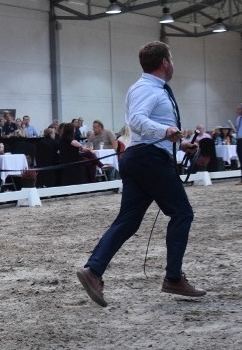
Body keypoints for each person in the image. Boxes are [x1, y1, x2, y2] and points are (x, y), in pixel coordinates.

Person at [76, 41, 204, 308]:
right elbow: (136, 120)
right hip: (149, 159)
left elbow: (146, 125)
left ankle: (94, 270)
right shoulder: (148, 88)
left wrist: (178, 143)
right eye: (172, 59)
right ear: (165, 63)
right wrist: (166, 132)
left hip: (139, 157)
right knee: (182, 213)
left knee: (128, 220)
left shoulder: (146, 88)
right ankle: (173, 277)